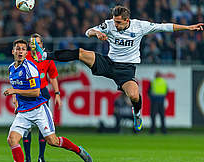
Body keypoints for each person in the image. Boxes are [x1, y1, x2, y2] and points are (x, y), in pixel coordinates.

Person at [34, 5, 204, 132]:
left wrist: (188, 28)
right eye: (114, 21)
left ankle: (136, 114)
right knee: (81, 53)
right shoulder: (109, 25)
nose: (115, 25)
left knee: (134, 95)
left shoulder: (140, 26)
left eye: (118, 22)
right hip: (109, 62)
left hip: (126, 70)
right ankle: (46, 56)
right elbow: (88, 32)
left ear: (127, 21)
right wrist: (97, 33)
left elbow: (164, 26)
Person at [4, 39, 92, 162]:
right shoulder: (11, 68)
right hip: (23, 112)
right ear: (13, 51)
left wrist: (15, 90)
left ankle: (78, 150)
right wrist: (16, 102)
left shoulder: (30, 68)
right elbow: (17, 88)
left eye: (23, 49)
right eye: (18, 49)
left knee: (52, 141)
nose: (20, 51)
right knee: (12, 139)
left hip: (38, 110)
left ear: (26, 52)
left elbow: (36, 92)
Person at [20, 33, 62, 162]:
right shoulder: (24, 57)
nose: (35, 45)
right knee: (26, 127)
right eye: (32, 43)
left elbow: (53, 76)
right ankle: (27, 158)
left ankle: (41, 157)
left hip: (42, 92)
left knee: (43, 127)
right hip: (26, 93)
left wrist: (57, 93)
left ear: (42, 45)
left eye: (37, 43)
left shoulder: (47, 58)